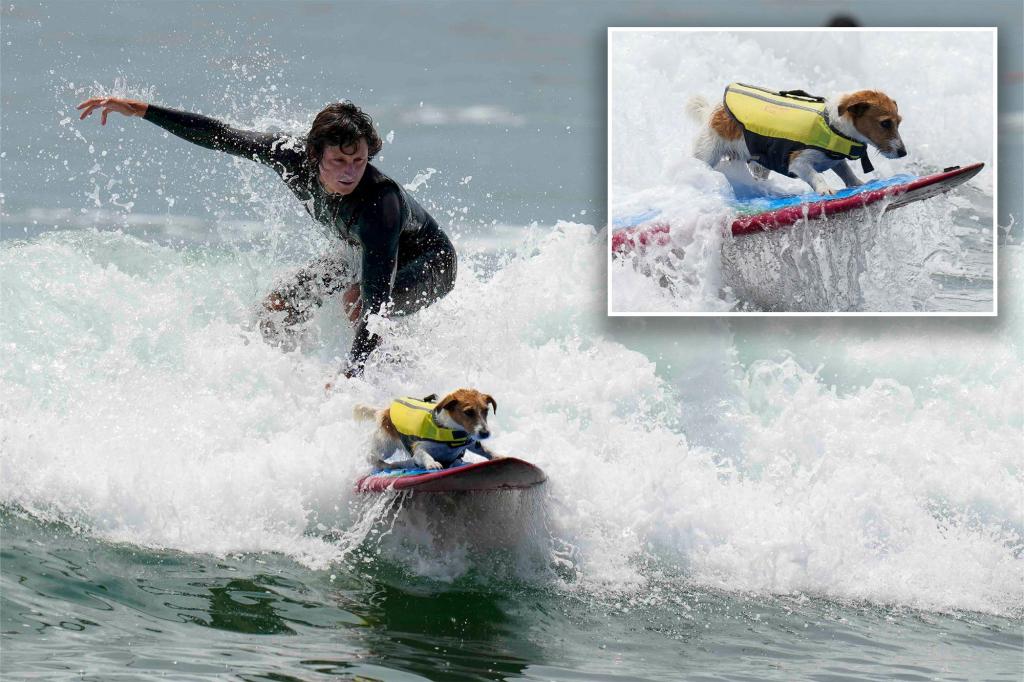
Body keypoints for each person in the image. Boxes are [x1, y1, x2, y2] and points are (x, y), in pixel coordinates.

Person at [76, 96, 457, 379]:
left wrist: (349, 377)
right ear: (313, 154)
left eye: (358, 160)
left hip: (429, 263)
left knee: (358, 303)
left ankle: (386, 387)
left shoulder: (380, 206)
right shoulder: (290, 156)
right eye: (338, 161)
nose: (349, 172)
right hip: (361, 252)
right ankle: (290, 379)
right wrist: (143, 110)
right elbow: (221, 135)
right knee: (277, 307)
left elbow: (376, 307)